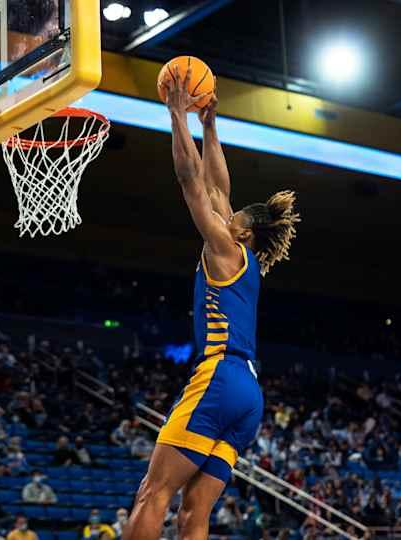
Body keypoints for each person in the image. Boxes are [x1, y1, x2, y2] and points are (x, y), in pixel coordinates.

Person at [126, 70, 298, 540]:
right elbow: (217, 184)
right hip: (249, 394)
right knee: (193, 516)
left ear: (241, 230)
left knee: (152, 493)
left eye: (233, 214)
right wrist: (210, 124)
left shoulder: (223, 245)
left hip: (219, 377)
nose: (226, 207)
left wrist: (176, 116)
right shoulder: (246, 257)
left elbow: (191, 180)